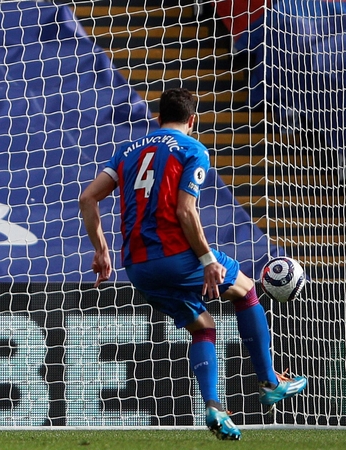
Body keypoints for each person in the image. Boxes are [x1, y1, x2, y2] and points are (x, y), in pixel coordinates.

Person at [78, 88, 308, 440]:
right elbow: (186, 210)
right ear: (192, 120)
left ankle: (215, 406)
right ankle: (270, 381)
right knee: (246, 290)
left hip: (136, 266)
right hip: (176, 256)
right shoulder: (192, 149)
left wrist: (100, 250)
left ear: (157, 118)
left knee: (202, 326)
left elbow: (87, 198)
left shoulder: (126, 150)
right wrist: (207, 260)